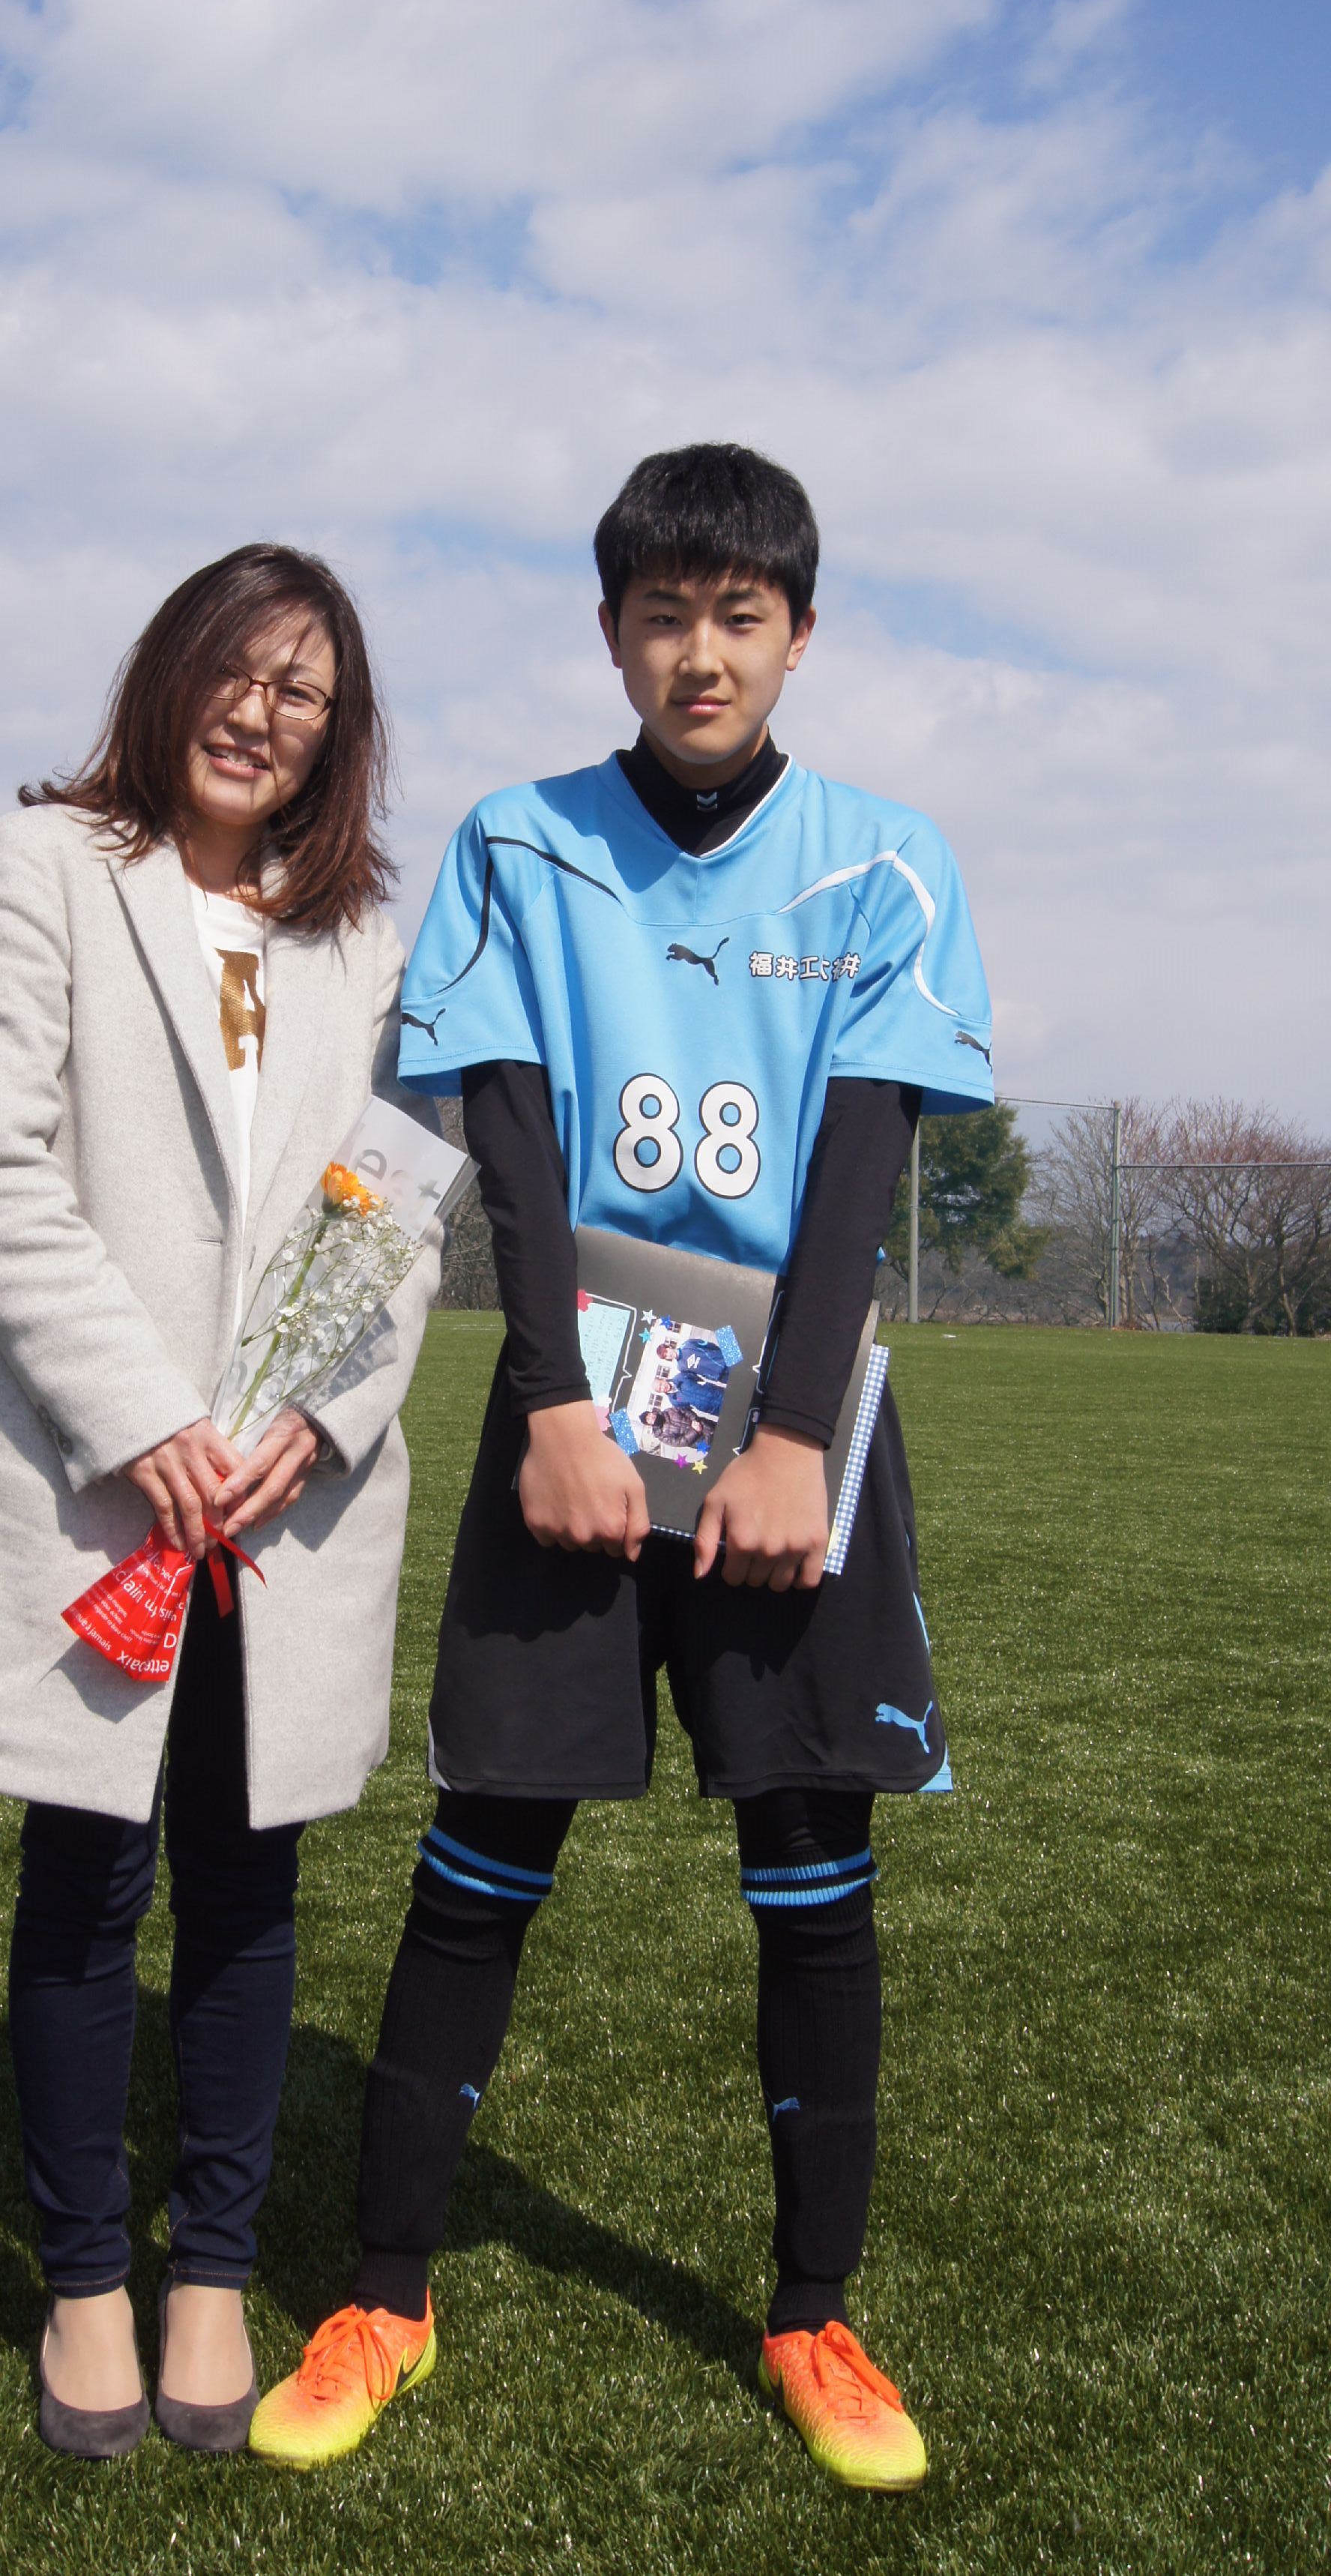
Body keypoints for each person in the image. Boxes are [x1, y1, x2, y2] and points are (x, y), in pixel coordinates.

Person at [251, 445, 992, 2490]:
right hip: (575, 1410)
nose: (700, 654)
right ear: (611, 633)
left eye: (740, 616)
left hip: (783, 1424)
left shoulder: (886, 865)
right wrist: (560, 1404)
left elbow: (857, 1169)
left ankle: (814, 2313)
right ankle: (385, 2292)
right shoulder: (518, 842)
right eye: (663, 615)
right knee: (482, 1851)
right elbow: (503, 1137)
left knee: (812, 1873)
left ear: (801, 635)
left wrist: (793, 1437)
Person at [0, 544, 441, 2458]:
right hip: (106, 1482)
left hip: (279, 1502)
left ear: (339, 735)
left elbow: (401, 1213)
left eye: (304, 692)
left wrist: (317, 1420)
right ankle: (87, 2277)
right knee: (89, 1878)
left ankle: (213, 2270)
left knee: (250, 1887)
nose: (262, 714)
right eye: (238, 670)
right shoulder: (48, 867)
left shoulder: (364, 934)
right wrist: (145, 1419)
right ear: (171, 672)